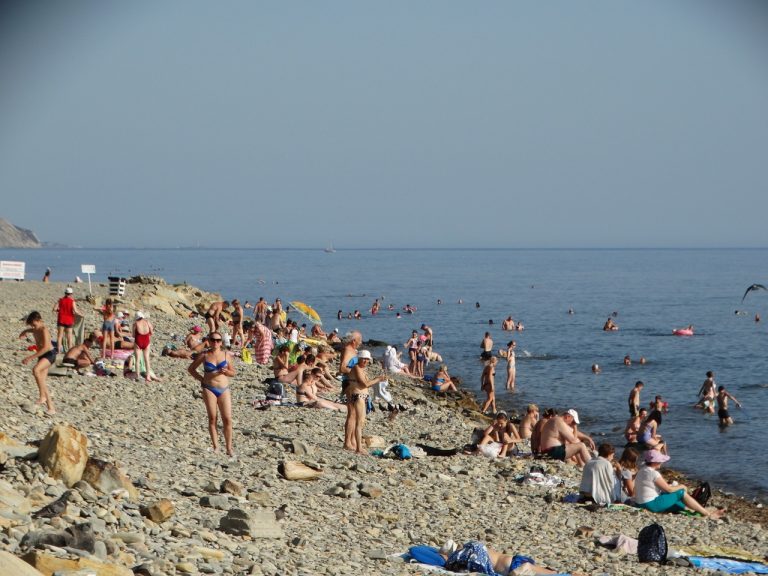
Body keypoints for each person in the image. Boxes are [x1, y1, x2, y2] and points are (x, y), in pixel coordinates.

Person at [634, 450, 724, 518]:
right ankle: (708, 514)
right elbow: (669, 489)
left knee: (676, 501)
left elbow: (659, 488)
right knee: (680, 492)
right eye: (660, 461)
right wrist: (682, 486)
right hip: (651, 505)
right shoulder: (653, 473)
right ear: (654, 462)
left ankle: (693, 508)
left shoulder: (642, 470)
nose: (662, 462)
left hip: (640, 503)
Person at [188, 332, 236, 457]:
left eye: (218, 340)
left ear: (221, 342)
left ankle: (229, 448)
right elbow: (191, 369)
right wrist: (201, 379)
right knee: (213, 418)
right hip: (209, 388)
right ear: (208, 341)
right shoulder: (204, 355)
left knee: (227, 419)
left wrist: (226, 372)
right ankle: (216, 446)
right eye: (213, 340)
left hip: (224, 388)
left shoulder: (226, 355)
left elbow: (233, 372)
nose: (215, 342)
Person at [438, 540, 565, 575]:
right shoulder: (466, 553)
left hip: (511, 563)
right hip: (512, 563)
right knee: (552, 573)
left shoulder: (465, 551)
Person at [343, 350, 386, 453]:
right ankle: (358, 448)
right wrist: (378, 379)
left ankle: (354, 444)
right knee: (359, 422)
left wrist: (376, 380)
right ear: (359, 359)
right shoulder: (357, 368)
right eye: (364, 359)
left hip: (361, 396)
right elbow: (364, 384)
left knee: (359, 421)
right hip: (358, 396)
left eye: (367, 359)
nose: (366, 361)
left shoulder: (361, 369)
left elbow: (365, 384)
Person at [19, 311, 56, 415]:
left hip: (49, 354)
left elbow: (46, 347)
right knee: (41, 379)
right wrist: (25, 331)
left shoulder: (44, 330)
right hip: (42, 355)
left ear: (39, 320)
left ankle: (47, 401)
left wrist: (30, 357)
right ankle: (46, 402)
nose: (33, 327)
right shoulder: (36, 329)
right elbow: (32, 330)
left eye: (34, 324)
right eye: (31, 325)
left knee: (36, 370)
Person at [52, 287, 80, 353]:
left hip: (61, 319)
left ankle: (58, 351)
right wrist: (81, 314)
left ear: (65, 293)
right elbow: (75, 311)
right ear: (71, 294)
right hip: (69, 320)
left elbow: (54, 309)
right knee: (69, 337)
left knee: (59, 336)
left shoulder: (60, 300)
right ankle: (70, 351)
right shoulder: (72, 301)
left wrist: (59, 310)